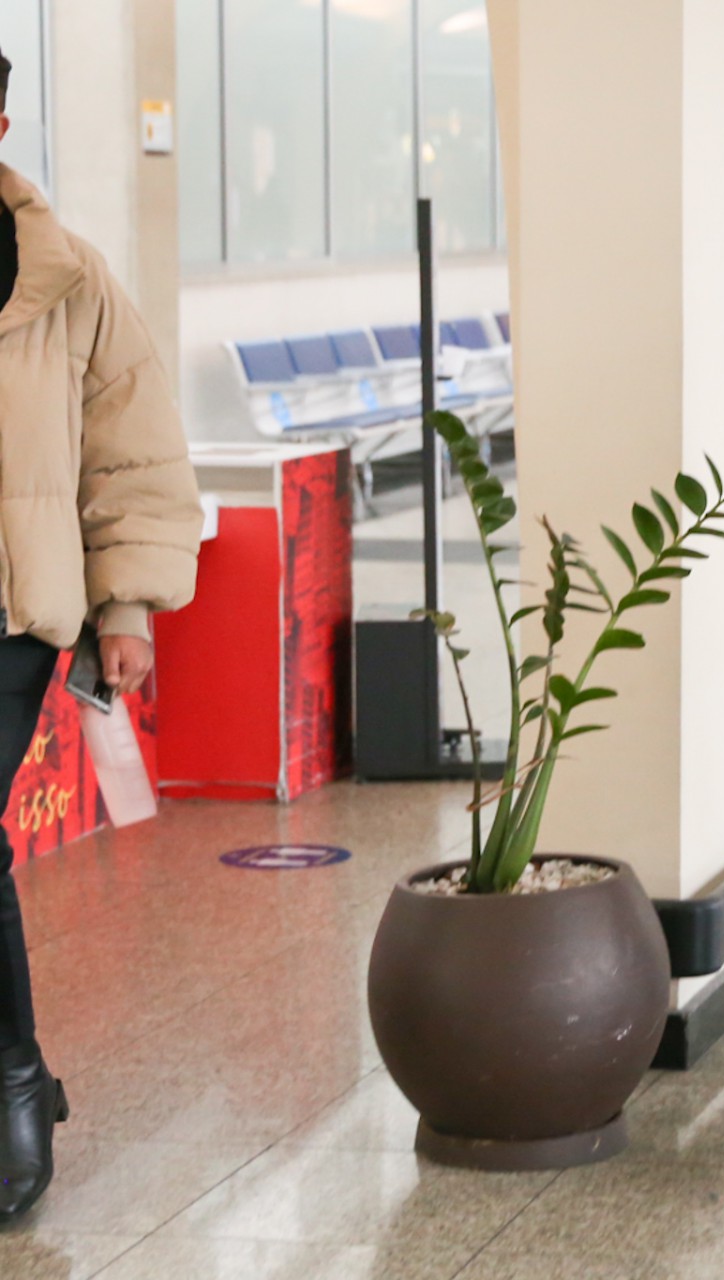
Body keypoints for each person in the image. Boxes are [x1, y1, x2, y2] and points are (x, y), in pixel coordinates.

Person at [0, 48, 201, 1216]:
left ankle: (15, 1076)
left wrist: (124, 605)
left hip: (15, 616)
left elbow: (127, 447)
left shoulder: (67, 276)